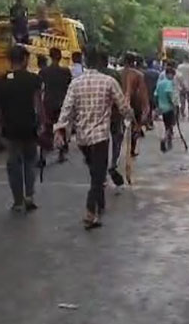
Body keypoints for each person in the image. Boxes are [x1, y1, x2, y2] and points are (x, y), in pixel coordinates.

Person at [54, 46, 133, 230]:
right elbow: (122, 107)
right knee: (97, 176)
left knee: (95, 171)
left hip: (82, 139)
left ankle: (100, 202)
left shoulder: (76, 83)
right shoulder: (108, 81)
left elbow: (66, 109)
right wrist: (132, 118)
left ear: (85, 62)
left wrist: (59, 128)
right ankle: (90, 212)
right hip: (100, 137)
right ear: (99, 62)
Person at [0, 46, 43, 213]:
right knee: (30, 162)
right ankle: (29, 196)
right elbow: (38, 103)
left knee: (14, 164)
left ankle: (17, 201)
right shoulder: (33, 79)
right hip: (29, 127)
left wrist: (0, 126)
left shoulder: (3, 80)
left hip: (10, 128)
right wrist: (42, 123)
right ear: (24, 59)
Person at [39, 47, 72, 163]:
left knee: (47, 130)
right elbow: (69, 86)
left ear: (50, 56)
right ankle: (61, 154)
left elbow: (41, 88)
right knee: (61, 128)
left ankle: (42, 157)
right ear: (60, 57)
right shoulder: (65, 71)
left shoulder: (43, 72)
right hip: (61, 103)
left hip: (48, 103)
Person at [98, 52, 126, 188]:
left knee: (101, 143)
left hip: (98, 114)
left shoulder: (92, 75)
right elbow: (119, 93)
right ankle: (113, 163)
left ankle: (101, 174)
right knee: (117, 139)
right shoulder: (114, 75)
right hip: (114, 113)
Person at [120, 53, 150, 157]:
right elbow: (142, 92)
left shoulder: (119, 73)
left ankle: (118, 150)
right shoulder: (138, 74)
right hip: (134, 102)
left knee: (120, 128)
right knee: (135, 125)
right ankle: (132, 149)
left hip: (119, 102)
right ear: (134, 62)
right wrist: (146, 107)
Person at [155, 67, 177, 152]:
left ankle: (168, 140)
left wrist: (157, 106)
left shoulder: (160, 83)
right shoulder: (169, 83)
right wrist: (173, 104)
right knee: (169, 126)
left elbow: (156, 95)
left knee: (166, 125)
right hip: (169, 108)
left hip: (162, 108)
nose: (172, 77)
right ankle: (165, 140)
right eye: (172, 75)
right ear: (169, 74)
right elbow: (169, 94)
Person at [143, 58, 160, 129]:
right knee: (151, 108)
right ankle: (149, 122)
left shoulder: (143, 72)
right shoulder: (156, 73)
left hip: (145, 91)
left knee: (146, 108)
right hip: (153, 92)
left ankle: (146, 122)